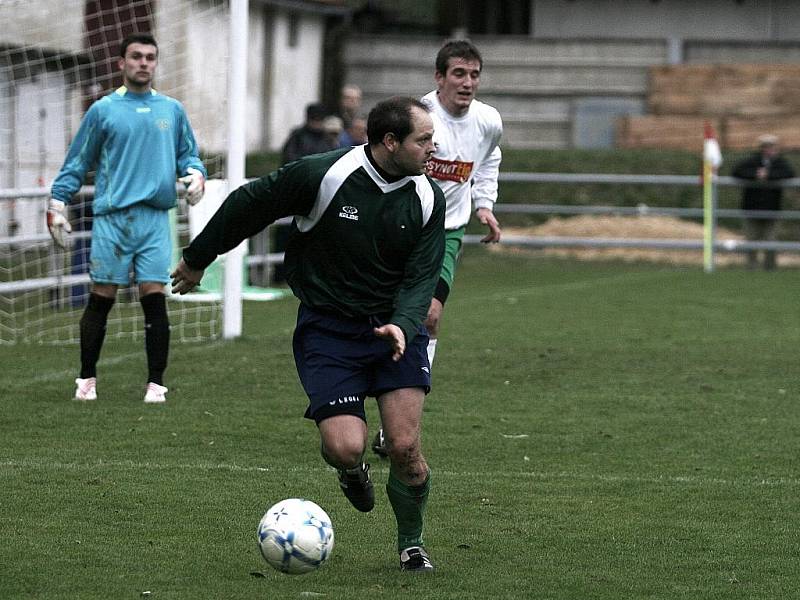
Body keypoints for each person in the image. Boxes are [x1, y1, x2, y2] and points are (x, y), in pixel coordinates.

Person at [171, 96, 445, 572]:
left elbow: (422, 276)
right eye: (424, 139)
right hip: (329, 329)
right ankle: (350, 470)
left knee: (403, 447)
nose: (433, 147)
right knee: (345, 446)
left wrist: (403, 323)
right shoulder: (324, 174)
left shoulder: (426, 196)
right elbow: (248, 204)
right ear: (389, 142)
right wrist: (199, 257)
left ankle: (411, 543)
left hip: (394, 332)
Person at [47, 32, 207, 403]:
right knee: (102, 296)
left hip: (154, 219)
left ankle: (156, 384)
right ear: (122, 63)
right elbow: (77, 162)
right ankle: (86, 379)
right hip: (112, 218)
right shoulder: (103, 110)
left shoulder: (171, 109)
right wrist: (57, 202)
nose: (143, 63)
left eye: (150, 57)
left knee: (154, 295)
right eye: (136, 56)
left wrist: (197, 175)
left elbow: (189, 156)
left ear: (155, 63)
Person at [373, 39, 503, 456]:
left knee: (428, 316)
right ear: (439, 78)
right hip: (403, 225)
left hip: (445, 232)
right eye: (459, 74)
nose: (468, 83)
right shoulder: (421, 118)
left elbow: (489, 159)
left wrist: (484, 204)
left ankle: (402, 419)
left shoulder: (488, 121)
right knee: (380, 311)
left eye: (474, 74)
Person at [732, 134, 795, 270]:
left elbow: (789, 173)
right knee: (751, 240)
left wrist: (768, 175)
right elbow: (737, 171)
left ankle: (770, 268)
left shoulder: (779, 163)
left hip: (772, 209)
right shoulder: (752, 161)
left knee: (771, 241)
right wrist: (756, 175)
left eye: (772, 146)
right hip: (752, 208)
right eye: (766, 146)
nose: (769, 149)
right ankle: (751, 267)